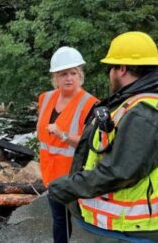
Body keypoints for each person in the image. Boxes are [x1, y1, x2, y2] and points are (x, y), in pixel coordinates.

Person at [49, 32, 158, 242]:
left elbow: (120, 171)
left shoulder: (143, 111)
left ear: (122, 69)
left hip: (137, 227)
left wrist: (66, 187)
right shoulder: (134, 102)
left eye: (111, 68)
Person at [38, 47, 98, 243]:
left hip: (74, 175)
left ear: (80, 75)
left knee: (85, 220)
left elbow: (93, 141)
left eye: (74, 73)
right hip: (50, 173)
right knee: (59, 220)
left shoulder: (90, 104)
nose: (69, 78)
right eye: (64, 74)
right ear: (55, 76)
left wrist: (63, 135)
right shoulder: (46, 98)